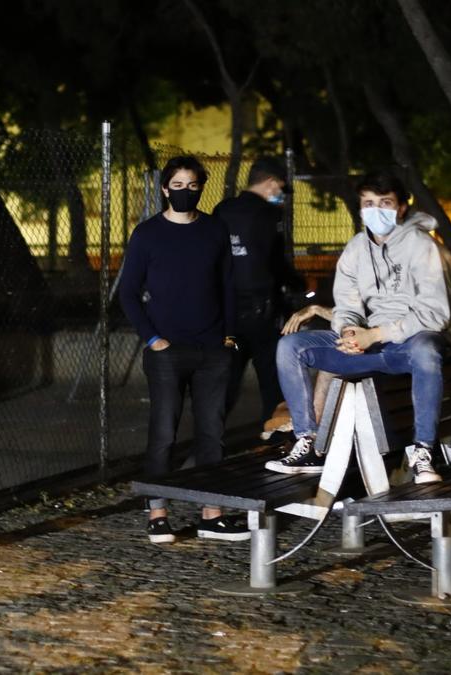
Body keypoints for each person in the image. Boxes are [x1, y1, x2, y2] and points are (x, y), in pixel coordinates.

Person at [266, 170, 451, 484]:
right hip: (366, 347)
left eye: (385, 203)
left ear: (401, 208)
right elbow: (347, 303)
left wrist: (376, 334)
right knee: (291, 346)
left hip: (405, 345)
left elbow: (435, 313)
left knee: (426, 348)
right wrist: (350, 331)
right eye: (369, 203)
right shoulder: (355, 249)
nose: (376, 210)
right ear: (360, 207)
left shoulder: (422, 247)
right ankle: (308, 442)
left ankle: (422, 453)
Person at [119, 156, 250, 544]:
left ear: (201, 188)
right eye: (177, 185)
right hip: (167, 351)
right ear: (164, 189)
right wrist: (152, 339)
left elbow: (227, 285)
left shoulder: (214, 229)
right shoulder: (147, 234)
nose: (185, 192)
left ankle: (212, 513)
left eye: (193, 186)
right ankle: (158, 512)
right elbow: (128, 293)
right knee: (163, 432)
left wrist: (229, 337)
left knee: (213, 432)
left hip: (212, 348)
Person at [212, 157, 301, 424]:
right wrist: (296, 286)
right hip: (262, 308)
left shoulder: (222, 210)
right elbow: (273, 261)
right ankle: (273, 432)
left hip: (226, 308)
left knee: (227, 378)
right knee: (272, 377)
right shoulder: (269, 215)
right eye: (281, 189)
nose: (280, 196)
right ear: (271, 183)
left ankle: (210, 437)